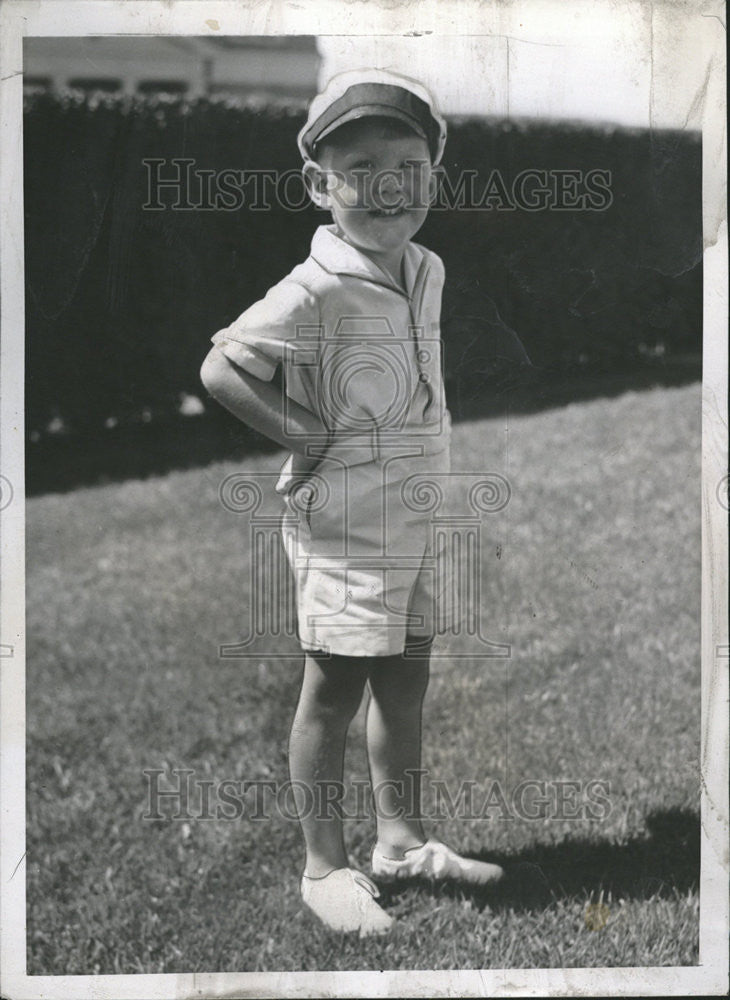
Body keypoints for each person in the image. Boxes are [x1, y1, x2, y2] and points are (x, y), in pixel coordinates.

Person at [200, 69, 503, 937]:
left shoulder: (426, 267)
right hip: (344, 526)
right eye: (361, 167)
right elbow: (222, 367)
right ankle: (323, 868)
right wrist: (306, 436)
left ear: (432, 180)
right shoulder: (316, 285)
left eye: (408, 165)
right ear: (319, 185)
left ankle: (401, 844)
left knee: (406, 675)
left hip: (415, 513)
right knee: (331, 693)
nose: (386, 187)